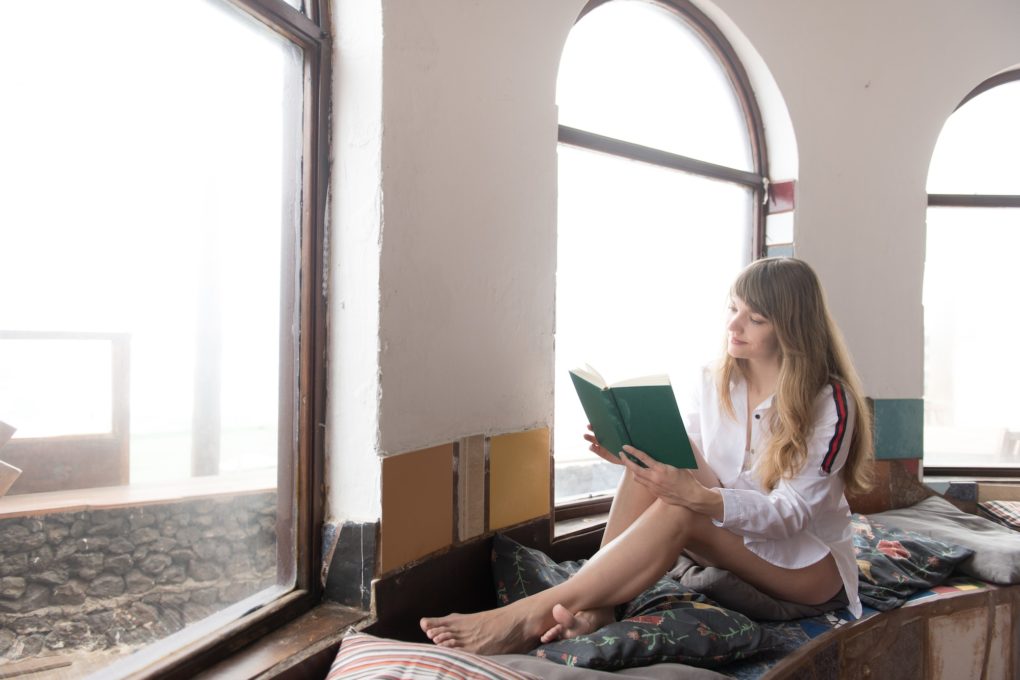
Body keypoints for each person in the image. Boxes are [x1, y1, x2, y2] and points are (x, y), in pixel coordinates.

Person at [420, 257, 874, 655]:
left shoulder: (829, 402)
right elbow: (692, 464)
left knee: (682, 511)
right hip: (736, 536)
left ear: (791, 327)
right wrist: (631, 456)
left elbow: (791, 516)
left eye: (754, 319)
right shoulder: (714, 379)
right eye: (733, 310)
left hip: (805, 566)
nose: (734, 326)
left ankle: (525, 616)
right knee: (653, 466)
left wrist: (699, 500)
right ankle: (599, 605)